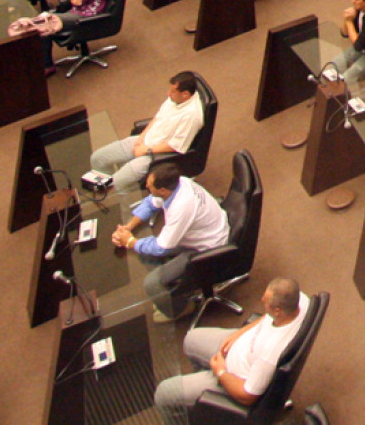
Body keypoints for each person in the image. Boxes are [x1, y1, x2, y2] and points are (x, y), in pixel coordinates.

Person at [152, 276, 310, 425]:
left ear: (278, 311)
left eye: (266, 302)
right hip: (241, 349)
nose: (262, 300)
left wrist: (220, 371)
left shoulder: (270, 355)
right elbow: (265, 318)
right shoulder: (300, 301)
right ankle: (202, 404)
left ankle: (208, 401)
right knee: (190, 340)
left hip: (234, 377)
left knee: (164, 394)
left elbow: (248, 396)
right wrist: (239, 333)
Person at [114, 160, 233, 321]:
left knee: (151, 283)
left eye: (150, 185)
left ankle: (182, 308)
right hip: (203, 231)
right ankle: (169, 293)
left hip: (207, 248)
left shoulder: (182, 206)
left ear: (162, 190)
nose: (146, 187)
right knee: (147, 250)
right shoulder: (178, 183)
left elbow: (161, 247)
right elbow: (150, 203)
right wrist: (128, 228)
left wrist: (130, 242)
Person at [89, 72, 207, 198]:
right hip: (145, 141)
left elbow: (176, 146)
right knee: (97, 158)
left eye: (172, 92)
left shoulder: (192, 117)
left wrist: (146, 150)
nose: (168, 94)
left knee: (112, 186)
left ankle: (127, 203)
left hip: (156, 156)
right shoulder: (175, 99)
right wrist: (141, 137)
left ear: (185, 94)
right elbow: (157, 118)